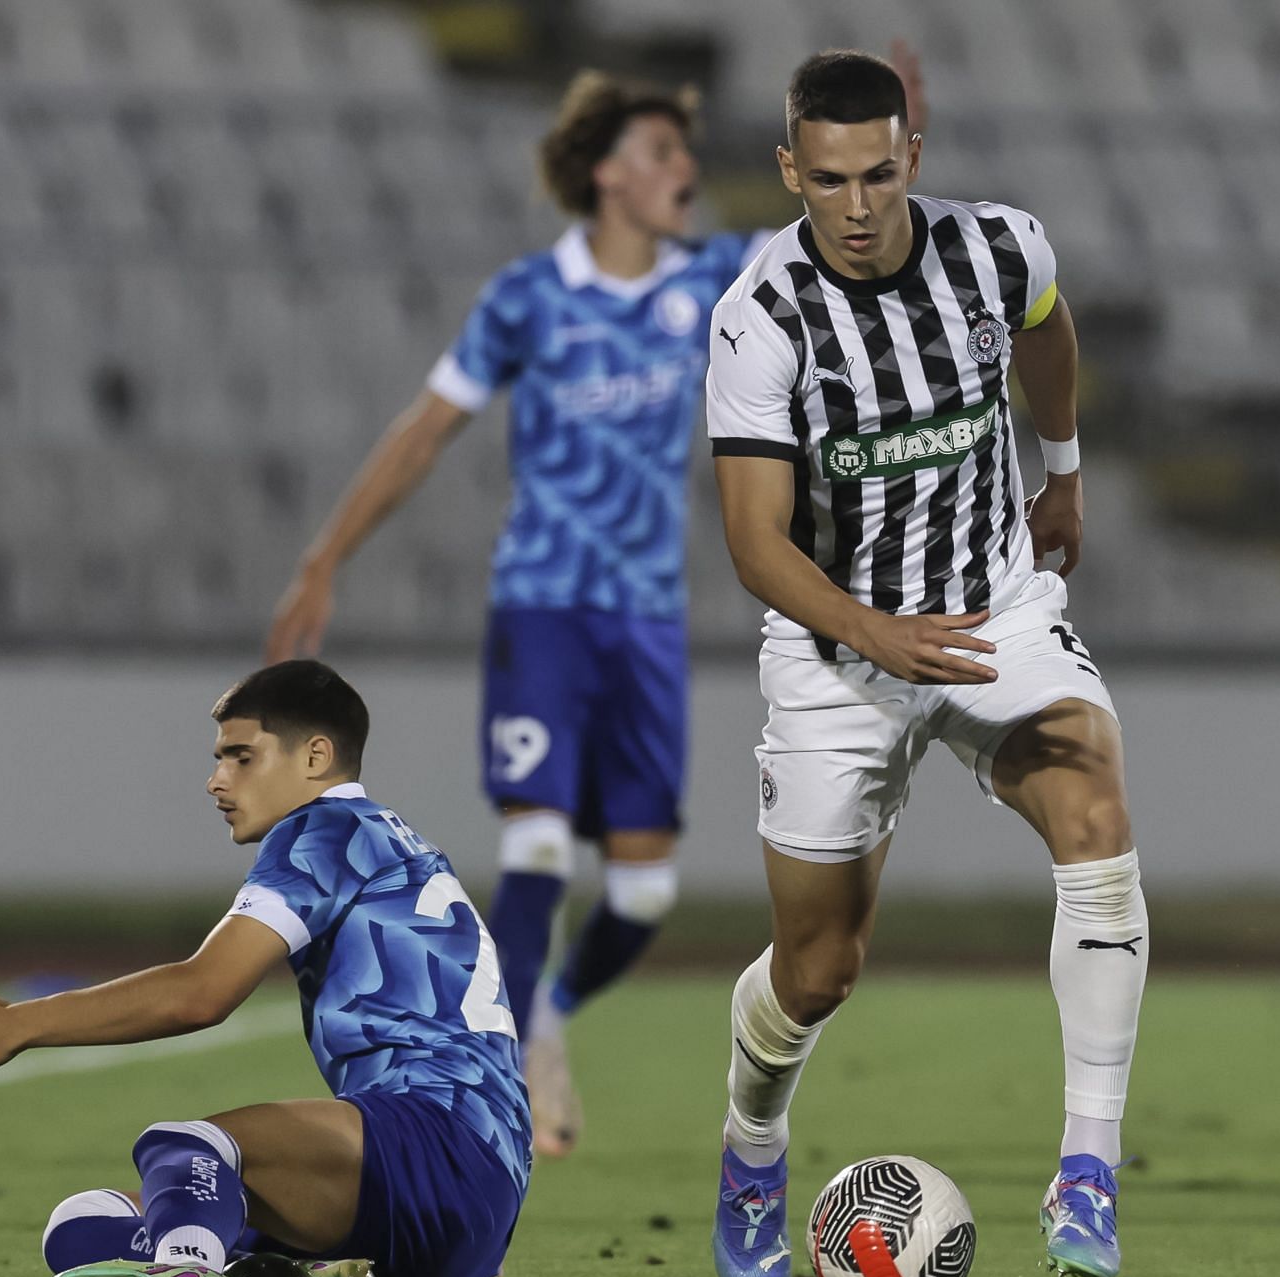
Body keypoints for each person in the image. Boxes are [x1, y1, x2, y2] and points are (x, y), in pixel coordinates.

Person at [264, 57, 924, 1158]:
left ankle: (551, 1013)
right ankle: (510, 1058)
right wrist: (326, 556)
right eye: (664, 151)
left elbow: (845, 256)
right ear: (610, 173)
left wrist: (902, 153)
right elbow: (427, 427)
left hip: (647, 623)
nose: (684, 170)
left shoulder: (715, 278)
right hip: (544, 612)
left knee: (646, 887)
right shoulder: (528, 297)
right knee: (532, 850)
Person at [701, 51, 1148, 1277]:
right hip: (836, 650)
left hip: (995, 612)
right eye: (829, 179)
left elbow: (1051, 328)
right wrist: (873, 636)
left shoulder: (999, 251)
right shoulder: (761, 313)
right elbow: (753, 539)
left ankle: (1087, 1171)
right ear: (792, 170)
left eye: (879, 175)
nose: (855, 205)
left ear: (915, 157)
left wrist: (1059, 465)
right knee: (819, 968)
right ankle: (751, 1148)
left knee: (1096, 814)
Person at [0, 660, 530, 1277]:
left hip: (429, 1139)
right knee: (84, 1223)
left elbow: (203, 991)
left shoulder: (323, 830)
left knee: (188, 1146)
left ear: (315, 755)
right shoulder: (396, 841)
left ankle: (186, 1274)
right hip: (470, 1193)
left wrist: (20, 1024)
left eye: (241, 757)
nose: (216, 781)